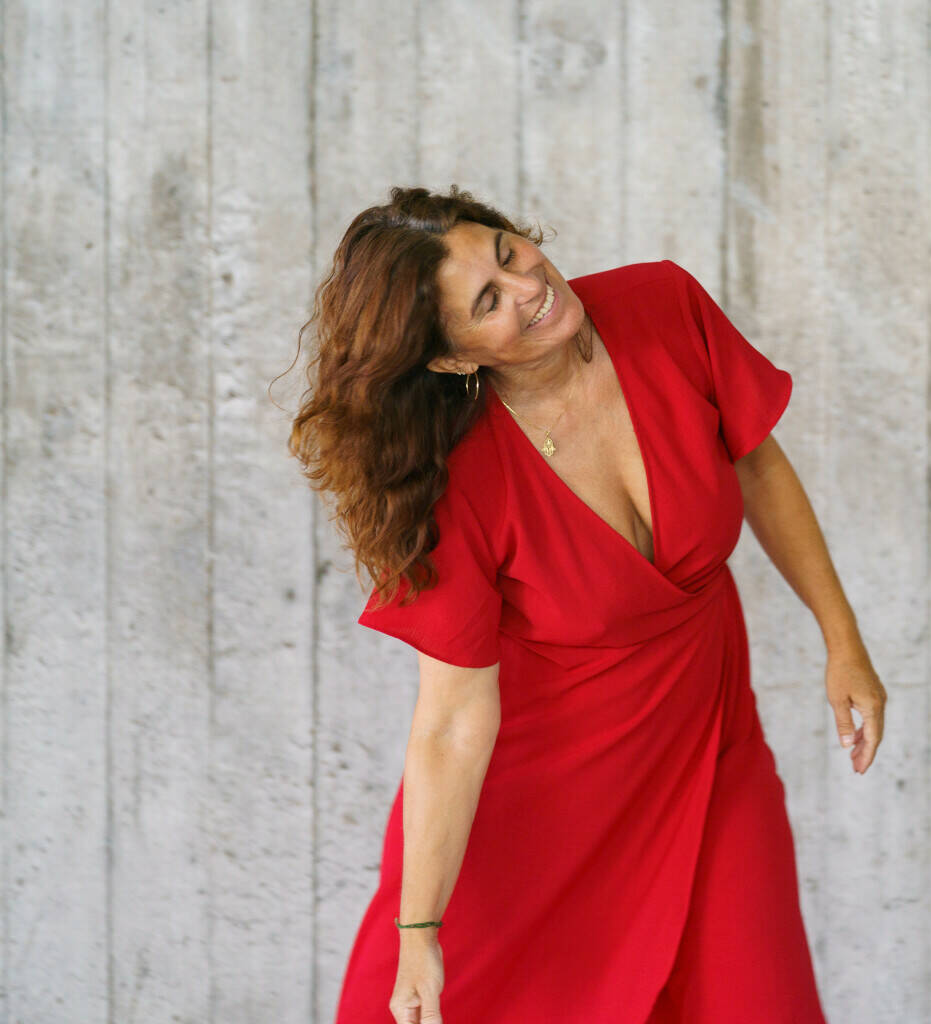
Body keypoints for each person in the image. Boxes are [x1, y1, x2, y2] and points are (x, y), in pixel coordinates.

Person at [285, 185, 887, 1022]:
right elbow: (453, 722)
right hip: (542, 808)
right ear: (452, 359)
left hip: (712, 750)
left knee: (758, 997)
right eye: (488, 302)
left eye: (507, 252)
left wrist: (842, 638)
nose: (528, 285)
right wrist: (419, 931)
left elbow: (757, 464)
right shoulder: (456, 481)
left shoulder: (664, 307)